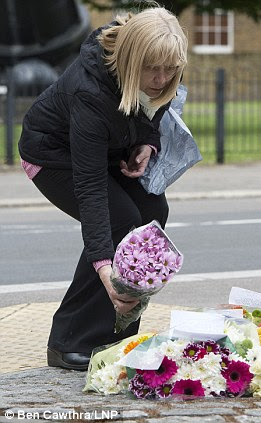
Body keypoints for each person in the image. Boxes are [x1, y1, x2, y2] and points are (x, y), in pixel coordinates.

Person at [18, 6, 188, 371]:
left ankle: (117, 332)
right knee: (119, 220)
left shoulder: (158, 66)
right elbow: (91, 186)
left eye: (170, 69)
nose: (161, 78)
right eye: (152, 69)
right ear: (130, 59)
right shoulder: (90, 91)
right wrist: (105, 268)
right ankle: (68, 342)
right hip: (52, 154)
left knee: (153, 214)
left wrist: (146, 142)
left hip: (109, 146)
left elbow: (155, 107)